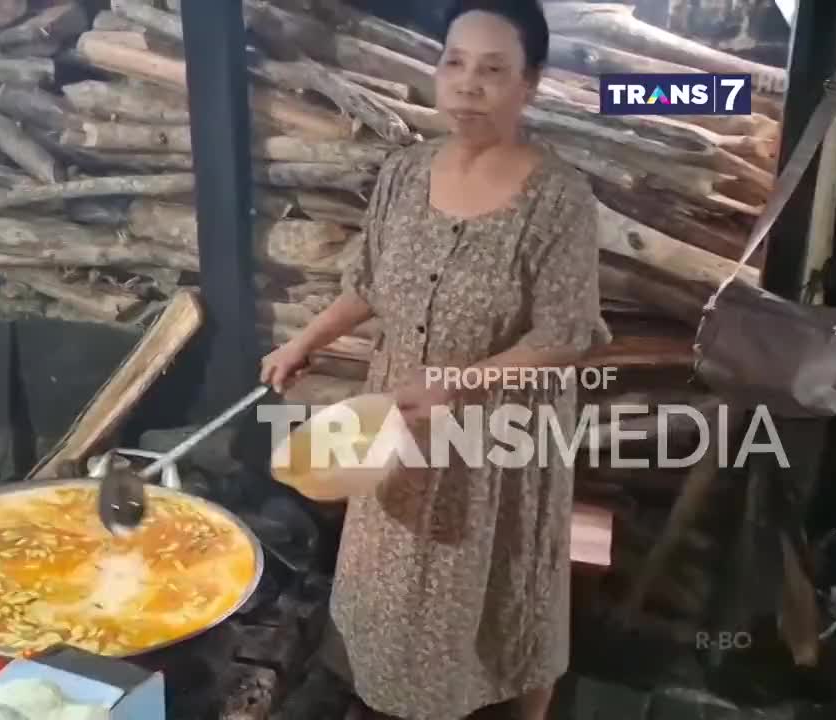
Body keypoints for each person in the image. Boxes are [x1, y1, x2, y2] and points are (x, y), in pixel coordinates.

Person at [259, 1, 611, 719]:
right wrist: (306, 341)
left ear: (530, 84)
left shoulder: (559, 199)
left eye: (493, 69)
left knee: (494, 602)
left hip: (495, 446)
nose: (467, 84)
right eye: (454, 62)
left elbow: (565, 335)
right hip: (398, 423)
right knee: (392, 593)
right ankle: (395, 700)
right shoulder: (403, 174)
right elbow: (369, 284)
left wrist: (459, 383)